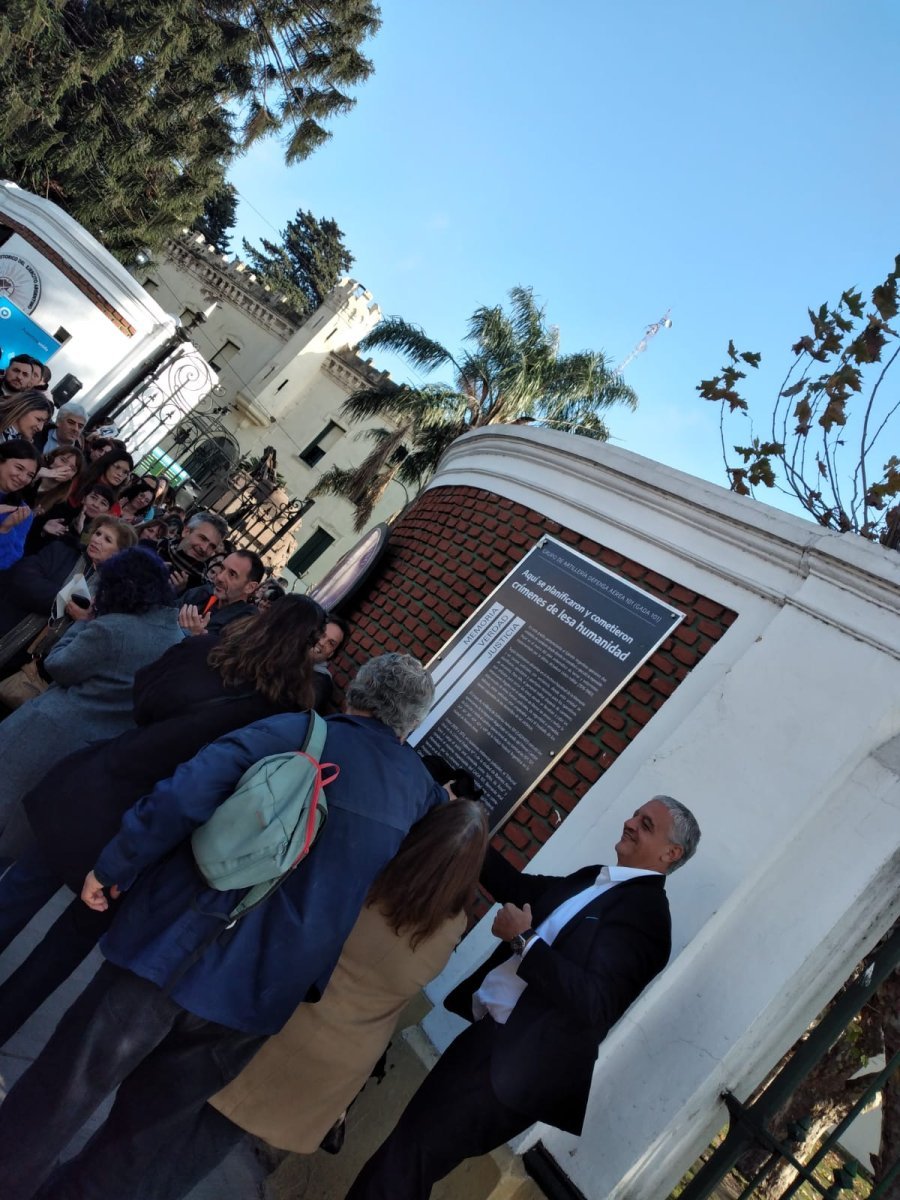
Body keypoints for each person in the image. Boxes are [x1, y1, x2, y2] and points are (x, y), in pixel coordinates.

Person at [0, 654, 446, 1199]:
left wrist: (117, 863)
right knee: (144, 1132)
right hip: (260, 995)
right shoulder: (419, 794)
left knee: (71, 1080)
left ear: (356, 692)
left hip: (177, 946)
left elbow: (184, 793)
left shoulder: (297, 732)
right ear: (412, 723)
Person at [0, 596, 325, 1047]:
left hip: (101, 787)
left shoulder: (205, 651)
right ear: (310, 648)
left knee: (18, 893)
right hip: (154, 835)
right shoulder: (282, 715)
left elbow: (144, 698)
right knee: (62, 950)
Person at [346, 796, 702, 1200]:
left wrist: (523, 941)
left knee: (407, 1159)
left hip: (512, 1067)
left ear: (671, 853)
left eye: (647, 824)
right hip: (487, 1043)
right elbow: (519, 889)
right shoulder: (598, 879)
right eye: (636, 814)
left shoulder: (647, 916)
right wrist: (466, 827)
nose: (630, 822)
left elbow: (595, 1002)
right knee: (407, 1155)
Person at [136, 799, 491, 1199]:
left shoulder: (372, 871)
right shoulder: (450, 929)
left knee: (163, 1118)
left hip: (277, 1018)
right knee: (205, 1149)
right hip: (334, 1060)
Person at [0, 547, 183, 857]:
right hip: (87, 754)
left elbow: (59, 664)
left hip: (44, 733)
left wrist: (86, 621)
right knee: (19, 835)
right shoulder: (177, 641)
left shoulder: (114, 628)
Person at [178, 548, 264, 635]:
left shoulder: (245, 622)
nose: (219, 577)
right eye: (222, 568)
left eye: (232, 574)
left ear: (250, 587)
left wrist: (196, 637)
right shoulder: (204, 592)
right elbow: (173, 610)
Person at [21, 444, 84, 553]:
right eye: (63, 460)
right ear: (51, 458)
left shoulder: (61, 506)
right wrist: (34, 477)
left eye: (72, 469)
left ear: (72, 477)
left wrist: (42, 529)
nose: (66, 468)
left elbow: (34, 545)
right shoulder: (26, 473)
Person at [157, 509, 228, 592]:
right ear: (186, 532)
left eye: (212, 546)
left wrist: (179, 594)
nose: (204, 548)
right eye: (202, 538)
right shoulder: (154, 546)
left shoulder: (201, 590)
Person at [0, 438, 40, 569]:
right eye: (19, 468)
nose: (23, 478)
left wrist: (5, 530)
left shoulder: (22, 513)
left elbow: (6, 562)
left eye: (30, 475)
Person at [311, 613, 350, 713]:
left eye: (331, 643)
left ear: (331, 654)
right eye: (322, 634)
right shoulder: (288, 649)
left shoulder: (320, 683)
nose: (322, 643)